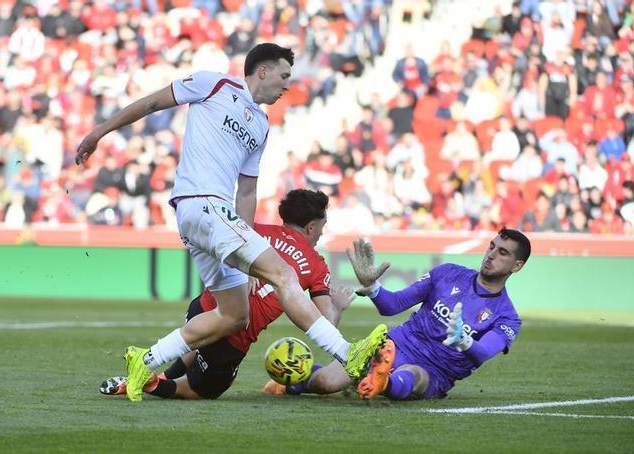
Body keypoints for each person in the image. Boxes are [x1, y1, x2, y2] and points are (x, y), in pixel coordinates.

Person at [76, 43, 386, 401]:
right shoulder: (214, 84)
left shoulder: (263, 125)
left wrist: (248, 247)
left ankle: (144, 363)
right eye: (284, 76)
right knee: (284, 274)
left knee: (233, 316)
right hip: (203, 204)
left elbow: (248, 192)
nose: (287, 85)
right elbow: (150, 103)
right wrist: (99, 131)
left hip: (210, 217)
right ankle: (348, 354)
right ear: (263, 71)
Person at [98, 189, 380, 400]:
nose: (321, 233)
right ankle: (151, 383)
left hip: (205, 307)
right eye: (322, 226)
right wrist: (339, 306)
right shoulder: (316, 264)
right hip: (234, 337)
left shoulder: (255, 230)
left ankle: (146, 372)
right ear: (311, 226)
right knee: (199, 391)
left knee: (198, 340)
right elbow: (325, 323)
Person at [265, 229, 530, 401]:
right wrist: (373, 287)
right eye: (492, 246)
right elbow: (392, 306)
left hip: (436, 368)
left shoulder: (507, 317)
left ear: (516, 266)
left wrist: (465, 342)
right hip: (395, 342)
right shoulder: (447, 273)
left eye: (502, 252)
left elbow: (483, 352)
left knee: (414, 377)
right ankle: (292, 382)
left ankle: (382, 381)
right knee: (325, 383)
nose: (491, 255)